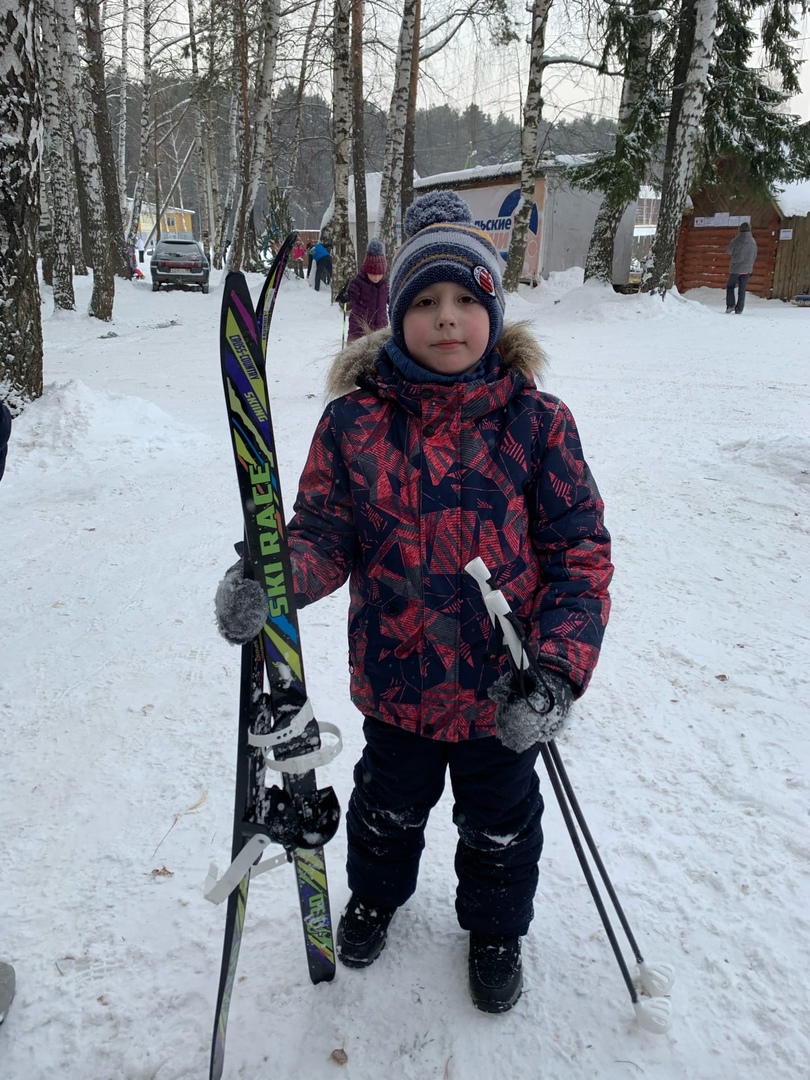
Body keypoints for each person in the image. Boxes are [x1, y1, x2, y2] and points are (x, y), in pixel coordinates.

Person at [215, 191, 612, 1014]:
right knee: (385, 811)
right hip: (396, 683)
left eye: (468, 299)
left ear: (495, 312)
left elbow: (579, 555)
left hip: (502, 696)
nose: (447, 318)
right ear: (394, 317)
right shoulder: (353, 426)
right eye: (425, 302)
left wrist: (558, 675)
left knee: (501, 826)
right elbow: (323, 534)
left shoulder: (539, 426)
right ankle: (375, 898)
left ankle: (496, 929)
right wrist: (271, 580)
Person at [344, 239, 390, 342]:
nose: (376, 277)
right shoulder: (358, 282)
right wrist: (345, 300)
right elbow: (349, 302)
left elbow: (393, 300)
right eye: (373, 273)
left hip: (380, 329)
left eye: (379, 273)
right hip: (358, 330)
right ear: (366, 270)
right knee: (356, 356)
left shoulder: (385, 285)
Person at [725, 221, 757, 314]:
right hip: (747, 269)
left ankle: (730, 305)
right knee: (742, 289)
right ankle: (739, 308)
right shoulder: (753, 241)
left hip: (736, 268)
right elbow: (754, 255)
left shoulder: (737, 240)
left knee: (730, 286)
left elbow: (729, 251)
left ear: (740, 230)